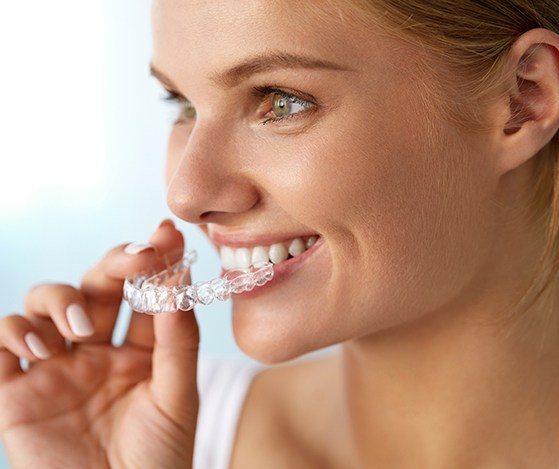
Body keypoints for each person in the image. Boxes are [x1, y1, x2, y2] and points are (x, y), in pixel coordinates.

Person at [2, 0, 559, 467]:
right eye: (185, 104)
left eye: (282, 101)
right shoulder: (157, 435)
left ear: (522, 101)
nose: (186, 195)